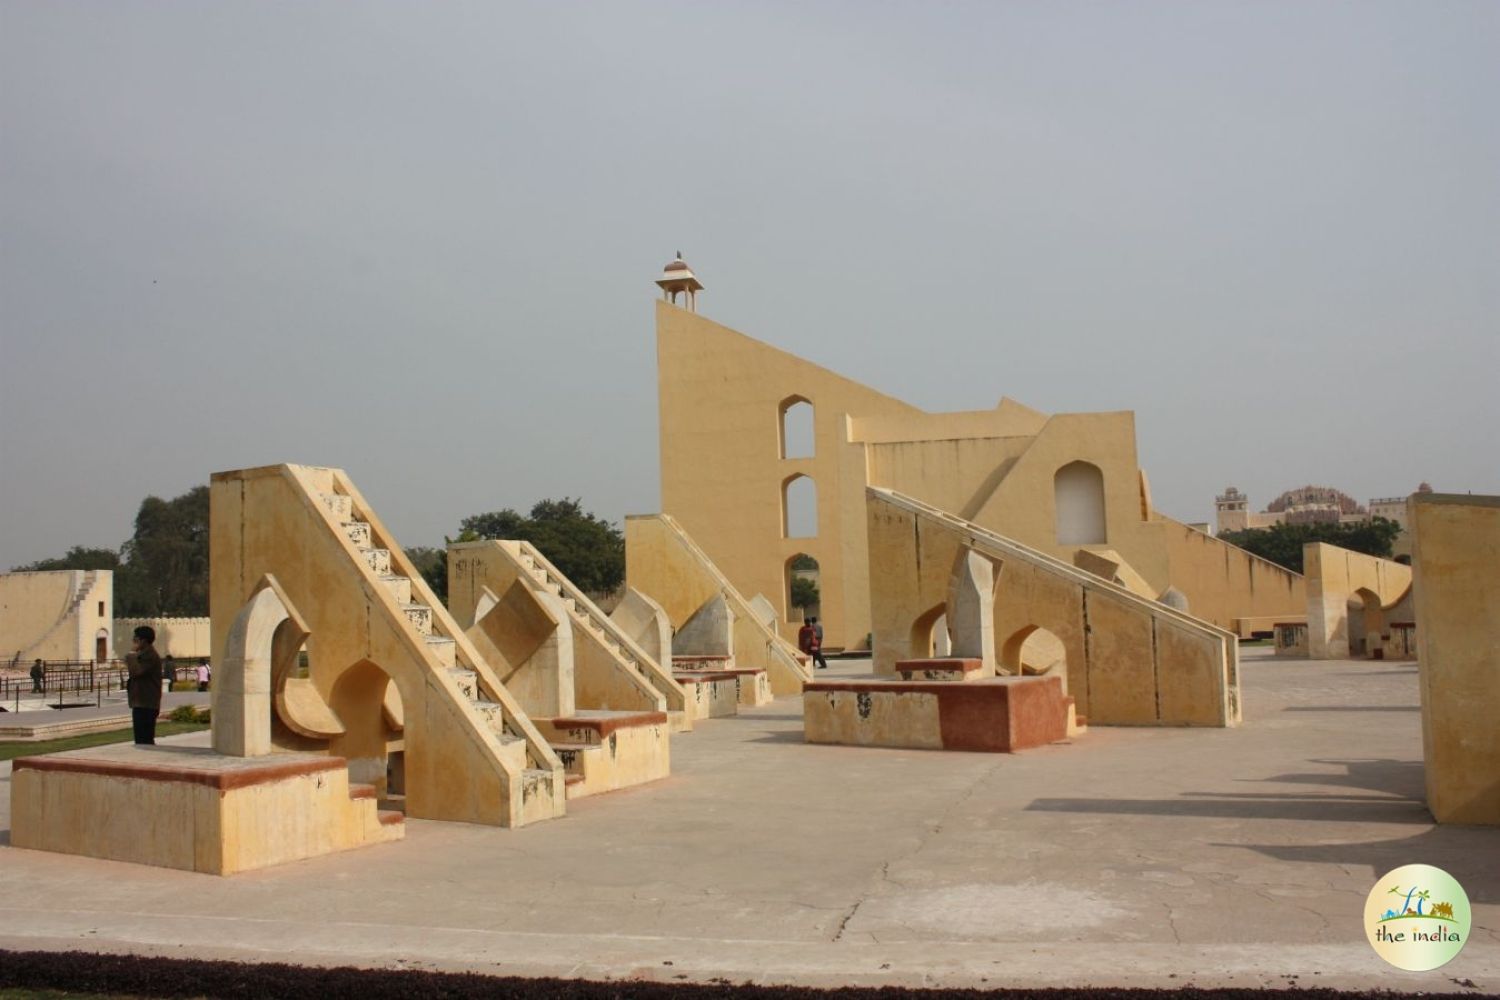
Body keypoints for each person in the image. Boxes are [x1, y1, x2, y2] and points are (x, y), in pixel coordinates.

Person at [125, 625, 163, 745]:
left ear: (143, 640)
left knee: (145, 740)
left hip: (147, 703)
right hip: (141, 702)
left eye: (136, 639)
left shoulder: (150, 656)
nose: (134, 642)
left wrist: (131, 654)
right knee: (141, 739)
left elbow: (136, 672)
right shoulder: (142, 655)